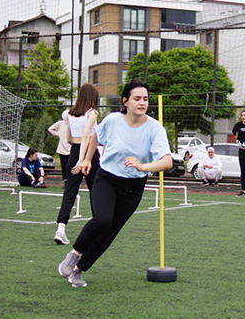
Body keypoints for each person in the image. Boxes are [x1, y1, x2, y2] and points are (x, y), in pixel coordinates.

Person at [57, 80, 173, 288]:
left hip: (134, 188)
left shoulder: (154, 128)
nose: (142, 103)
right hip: (107, 179)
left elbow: (167, 161)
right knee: (102, 220)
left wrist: (142, 166)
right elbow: (95, 138)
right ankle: (75, 253)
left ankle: (79, 270)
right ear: (125, 101)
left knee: (110, 233)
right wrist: (86, 160)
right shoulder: (112, 120)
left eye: (145, 99)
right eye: (137, 98)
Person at [54, 84, 100, 245]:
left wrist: (77, 158)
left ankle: (61, 229)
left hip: (74, 152)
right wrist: (83, 160)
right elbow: (87, 135)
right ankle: (98, 229)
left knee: (70, 193)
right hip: (90, 155)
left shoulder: (69, 114)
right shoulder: (92, 113)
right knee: (96, 191)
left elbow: (68, 139)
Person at [47, 116, 71, 185]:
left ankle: (71, 181)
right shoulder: (60, 123)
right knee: (64, 166)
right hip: (62, 149)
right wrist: (58, 135)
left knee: (71, 165)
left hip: (71, 148)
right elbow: (50, 129)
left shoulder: (73, 124)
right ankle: (65, 181)